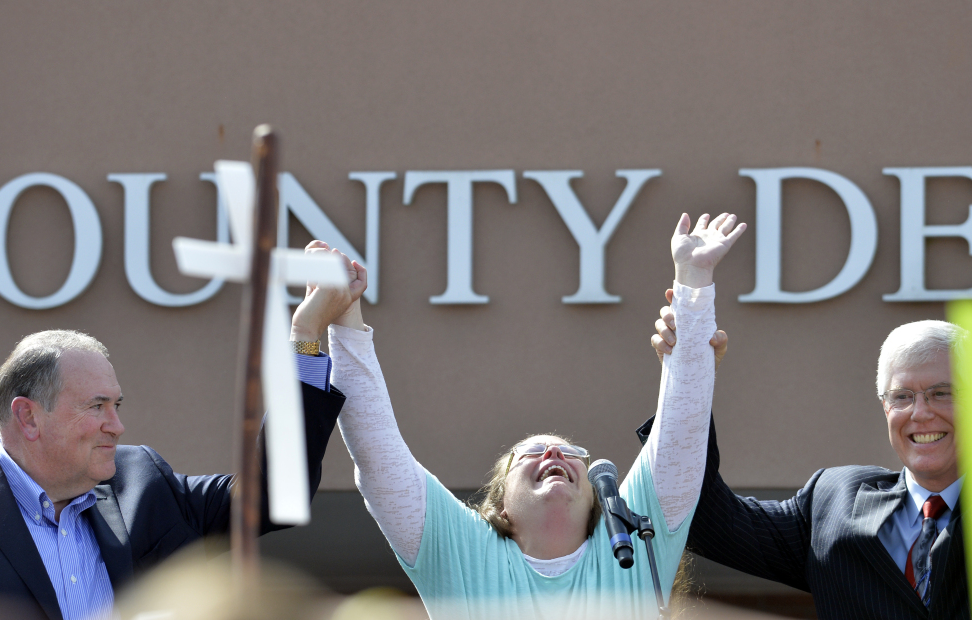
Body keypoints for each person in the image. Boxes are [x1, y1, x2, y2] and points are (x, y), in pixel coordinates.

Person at [303, 213, 745, 619]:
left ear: (596, 500)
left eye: (572, 453)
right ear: (498, 507)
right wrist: (344, 316)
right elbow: (379, 456)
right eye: (529, 453)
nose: (554, 450)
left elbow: (681, 436)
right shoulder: (462, 552)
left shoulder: (634, 545)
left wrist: (694, 282)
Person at [0, 251, 365, 620]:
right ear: (28, 417)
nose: (117, 425)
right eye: (96, 407)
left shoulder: (141, 485)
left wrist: (306, 334)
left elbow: (277, 494)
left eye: (117, 405)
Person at [649, 303, 969, 619]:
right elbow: (703, 517)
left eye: (942, 393)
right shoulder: (834, 502)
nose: (921, 413)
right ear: (886, 408)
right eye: (902, 396)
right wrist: (689, 381)